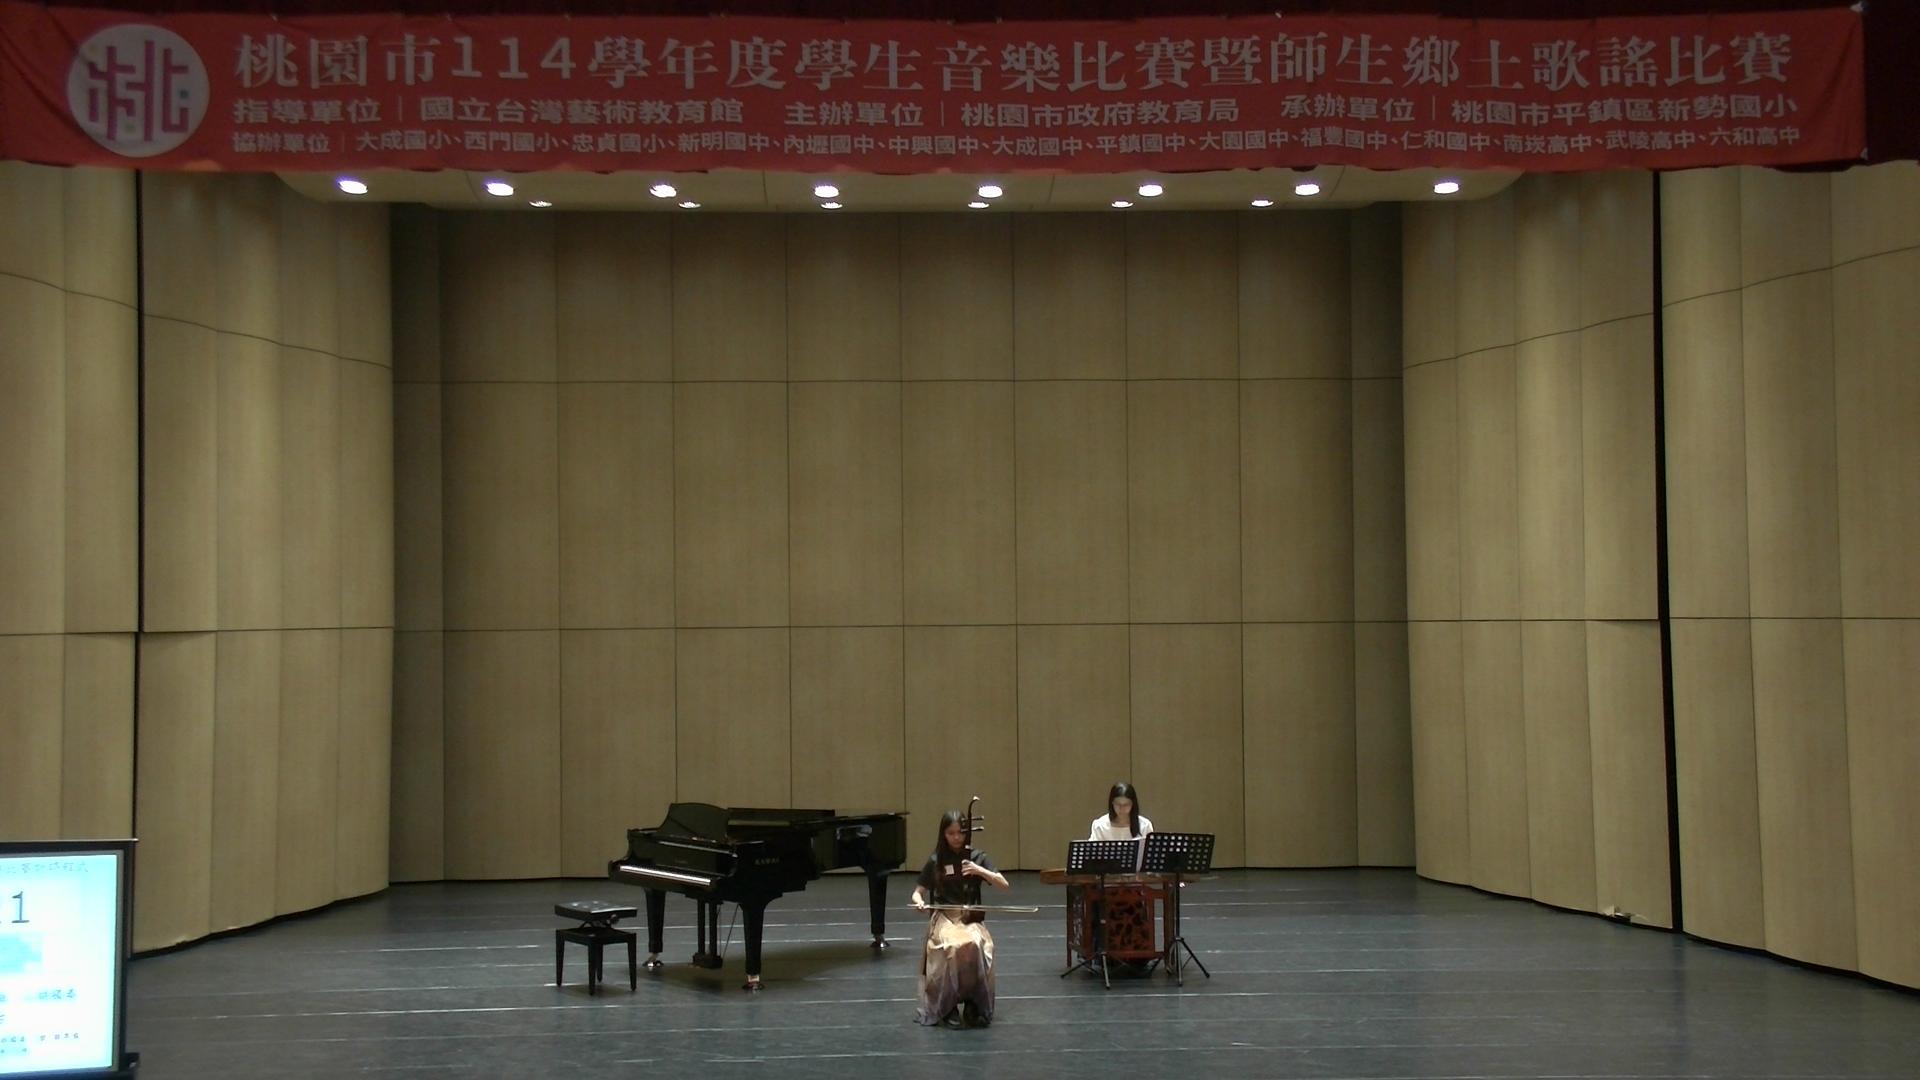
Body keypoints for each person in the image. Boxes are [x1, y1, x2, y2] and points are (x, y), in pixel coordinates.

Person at [910, 810, 1010, 1028]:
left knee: (976, 944)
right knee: (953, 946)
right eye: (951, 833)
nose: (956, 837)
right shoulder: (936, 859)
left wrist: (980, 870)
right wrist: (919, 902)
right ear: (943, 834)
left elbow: (1004, 884)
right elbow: (918, 892)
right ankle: (948, 1006)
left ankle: (974, 1003)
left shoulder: (977, 857)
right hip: (944, 917)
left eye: (960, 832)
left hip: (969, 917)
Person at [1088, 781, 1153, 841]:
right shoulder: (1100, 826)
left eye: (1126, 805)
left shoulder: (1145, 826)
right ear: (1112, 803)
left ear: (1133, 804)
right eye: (1118, 804)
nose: (1122, 808)